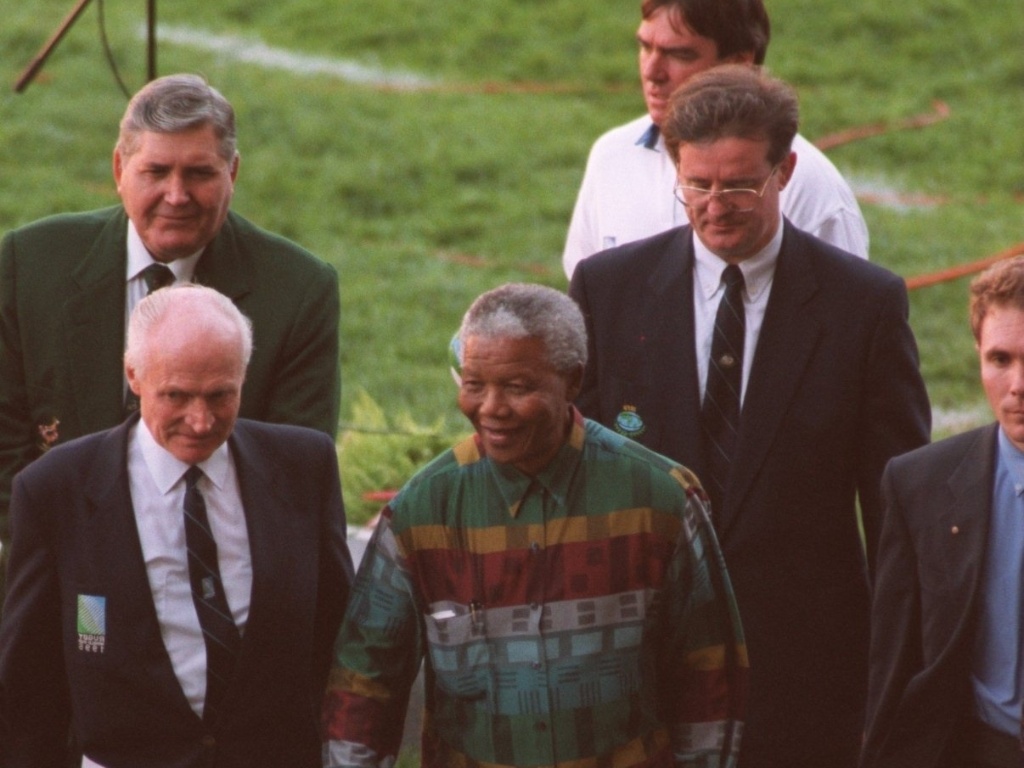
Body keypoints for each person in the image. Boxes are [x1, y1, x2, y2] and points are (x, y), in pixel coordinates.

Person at [569, 66, 931, 768]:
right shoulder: (608, 292)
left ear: (785, 170)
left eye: (739, 184)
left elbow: (896, 513)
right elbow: (579, 471)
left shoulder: (864, 305)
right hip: (641, 654)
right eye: (697, 184)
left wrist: (890, 683)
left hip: (806, 667)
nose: (715, 205)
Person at [323, 283, 747, 767]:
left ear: (572, 382)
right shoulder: (422, 512)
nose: (491, 408)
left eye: (517, 388)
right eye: (473, 385)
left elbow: (711, 676)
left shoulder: (661, 501)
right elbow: (363, 684)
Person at [0, 73, 341, 603]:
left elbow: (290, 472)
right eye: (156, 171)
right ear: (119, 169)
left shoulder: (298, 289)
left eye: (200, 173)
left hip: (216, 594)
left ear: (232, 172)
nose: (176, 196)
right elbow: (5, 445)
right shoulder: (30, 265)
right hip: (58, 587)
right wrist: (77, 563)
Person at [0, 284, 354, 767]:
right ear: (133, 376)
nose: (201, 421)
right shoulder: (55, 491)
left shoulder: (303, 467)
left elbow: (339, 636)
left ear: (243, 377)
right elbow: (30, 680)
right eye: (176, 396)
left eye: (220, 395)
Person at [562, 0, 868, 280]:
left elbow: (841, 321)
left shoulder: (812, 187)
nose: (652, 71)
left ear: (737, 63)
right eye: (645, 47)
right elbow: (588, 307)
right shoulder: (612, 158)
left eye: (679, 54)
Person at [861, 255, 1024, 768]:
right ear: (977, 355)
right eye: (1001, 360)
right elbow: (892, 668)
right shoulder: (920, 487)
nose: (1018, 385)